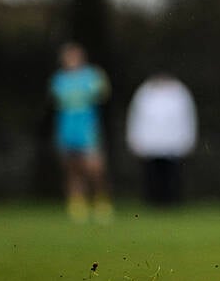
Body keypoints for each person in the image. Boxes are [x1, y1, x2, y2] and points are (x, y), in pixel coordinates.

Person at [47, 41, 113, 223]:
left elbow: (104, 94)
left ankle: (101, 203)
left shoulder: (92, 76)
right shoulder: (59, 80)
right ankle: (77, 206)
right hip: (67, 129)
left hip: (88, 129)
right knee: (72, 169)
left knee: (95, 168)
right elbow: (55, 101)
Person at [126, 72, 198, 207]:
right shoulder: (144, 93)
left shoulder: (180, 93)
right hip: (150, 143)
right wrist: (134, 139)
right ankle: (153, 202)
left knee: (172, 176)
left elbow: (188, 119)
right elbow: (136, 118)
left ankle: (172, 201)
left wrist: (188, 140)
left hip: (172, 143)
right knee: (152, 176)